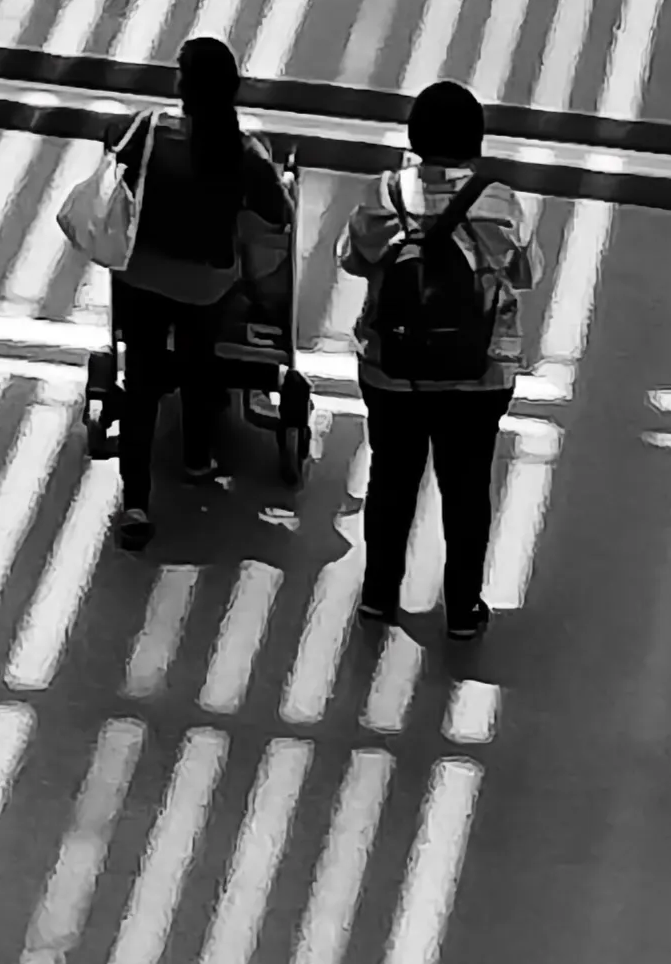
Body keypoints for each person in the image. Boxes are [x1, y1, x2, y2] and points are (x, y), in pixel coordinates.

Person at [330, 74, 541, 640]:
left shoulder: (382, 195)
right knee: (467, 485)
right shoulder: (499, 203)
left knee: (392, 478)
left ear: (413, 136)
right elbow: (527, 273)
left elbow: (349, 259)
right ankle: (464, 607)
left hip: (392, 367)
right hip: (478, 372)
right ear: (476, 141)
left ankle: (379, 594)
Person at [86, 33, 294, 552]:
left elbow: (121, 169)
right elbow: (278, 215)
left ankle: (135, 502)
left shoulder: (151, 129)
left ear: (183, 85)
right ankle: (197, 458)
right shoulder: (244, 151)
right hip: (206, 286)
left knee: (141, 384)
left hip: (142, 276)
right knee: (201, 364)